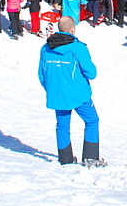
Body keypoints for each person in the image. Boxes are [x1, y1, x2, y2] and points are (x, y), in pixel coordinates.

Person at [38, 16, 105, 167]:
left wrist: (51, 89)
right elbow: (91, 73)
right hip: (78, 94)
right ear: (72, 30)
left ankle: (65, 159)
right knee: (92, 120)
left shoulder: (46, 48)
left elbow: (42, 74)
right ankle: (91, 158)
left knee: (62, 126)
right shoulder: (78, 48)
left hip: (57, 94)